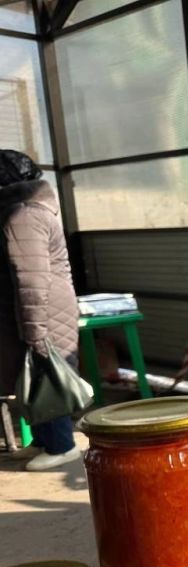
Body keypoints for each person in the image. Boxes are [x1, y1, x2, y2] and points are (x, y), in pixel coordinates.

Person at [0, 150, 81, 471]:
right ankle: (44, 440)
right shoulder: (23, 210)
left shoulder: (22, 215)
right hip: (32, 309)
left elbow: (30, 279)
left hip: (39, 310)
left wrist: (35, 331)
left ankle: (63, 446)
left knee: (47, 376)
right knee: (30, 377)